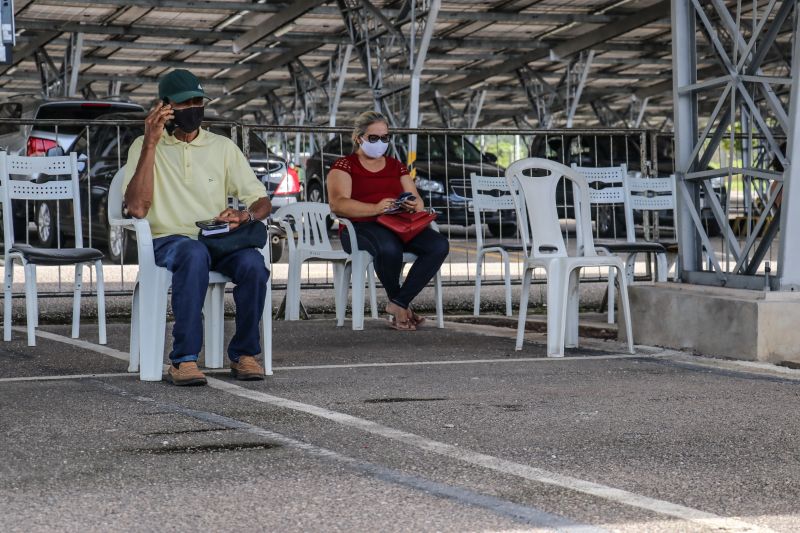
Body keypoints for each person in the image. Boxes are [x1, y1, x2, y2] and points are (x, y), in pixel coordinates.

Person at [123, 69, 271, 386]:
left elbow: (261, 200)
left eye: (198, 101)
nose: (193, 108)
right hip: (169, 241)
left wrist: (244, 216)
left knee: (253, 264)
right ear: (165, 108)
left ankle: (244, 354)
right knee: (192, 254)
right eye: (185, 103)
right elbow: (136, 208)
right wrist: (151, 143)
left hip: (216, 240)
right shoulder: (143, 146)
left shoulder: (222, 147)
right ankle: (184, 360)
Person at [327, 111, 449, 331]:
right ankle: (403, 309)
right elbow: (338, 204)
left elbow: (417, 201)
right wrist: (374, 208)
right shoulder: (344, 166)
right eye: (374, 138)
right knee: (388, 248)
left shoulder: (396, 166)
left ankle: (399, 303)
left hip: (398, 224)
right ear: (359, 138)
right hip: (359, 227)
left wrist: (412, 204)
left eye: (385, 138)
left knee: (438, 245)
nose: (380, 143)